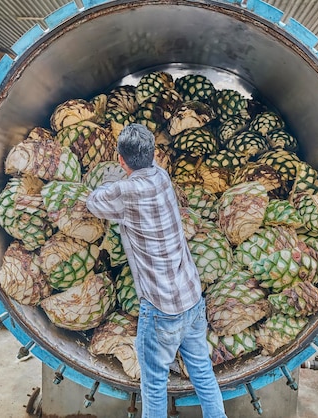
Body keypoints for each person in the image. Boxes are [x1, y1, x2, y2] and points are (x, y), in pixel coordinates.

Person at [86, 124, 227, 418]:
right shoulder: (162, 177)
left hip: (161, 308)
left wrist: (105, 182)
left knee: (153, 385)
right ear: (152, 154)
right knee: (202, 372)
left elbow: (94, 203)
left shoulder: (125, 192)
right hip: (191, 297)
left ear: (121, 160)